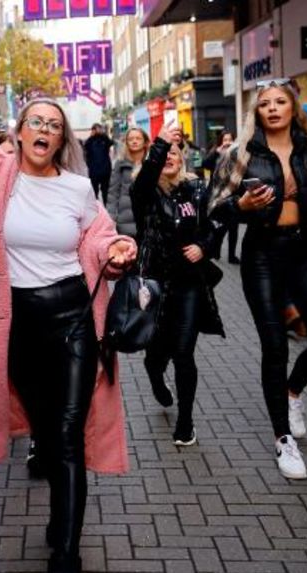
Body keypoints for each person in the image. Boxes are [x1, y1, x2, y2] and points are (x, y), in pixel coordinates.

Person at [0, 99, 137, 573]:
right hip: (16, 327)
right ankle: (61, 510)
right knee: (48, 434)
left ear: (62, 140)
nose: (45, 130)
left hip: (73, 318)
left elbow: (100, 237)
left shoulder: (77, 188)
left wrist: (118, 250)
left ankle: (66, 564)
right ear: (19, 130)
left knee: (71, 432)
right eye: (37, 121)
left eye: (54, 126)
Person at [208, 79, 307, 480]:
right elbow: (215, 210)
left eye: (280, 102)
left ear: (293, 108)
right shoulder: (240, 155)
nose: (272, 108)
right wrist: (239, 204)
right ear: (256, 112)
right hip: (262, 256)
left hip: (305, 253)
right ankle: (282, 439)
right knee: (274, 346)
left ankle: (293, 391)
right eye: (264, 104)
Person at [130, 120, 224, 447]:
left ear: (182, 157)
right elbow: (143, 183)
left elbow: (216, 221)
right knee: (157, 353)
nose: (169, 155)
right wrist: (160, 142)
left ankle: (185, 422)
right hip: (154, 285)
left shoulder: (198, 188)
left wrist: (205, 245)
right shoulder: (144, 191)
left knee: (184, 352)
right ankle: (154, 372)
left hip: (189, 286)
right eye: (163, 151)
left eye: (175, 150)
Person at [201, 131, 240, 263]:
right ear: (220, 142)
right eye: (225, 140)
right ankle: (216, 250)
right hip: (216, 196)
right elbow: (204, 164)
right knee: (220, 227)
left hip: (232, 195)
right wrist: (216, 153)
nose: (227, 142)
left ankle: (232, 256)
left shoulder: (237, 154)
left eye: (230, 139)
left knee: (233, 227)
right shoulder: (216, 154)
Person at [106, 127, 149, 237]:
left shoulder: (151, 164)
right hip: (124, 221)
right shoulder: (120, 164)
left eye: (138, 138)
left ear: (145, 142)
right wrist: (110, 218)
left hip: (148, 219)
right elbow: (113, 193)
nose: (134, 141)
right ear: (126, 142)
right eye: (131, 139)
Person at [83, 122, 114, 202]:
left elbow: (111, 142)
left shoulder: (104, 139)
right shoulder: (90, 141)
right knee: (94, 193)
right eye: (95, 129)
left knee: (106, 192)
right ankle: (96, 210)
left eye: (98, 129)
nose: (97, 131)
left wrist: (103, 134)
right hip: (94, 171)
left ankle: (106, 209)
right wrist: (91, 136)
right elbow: (85, 147)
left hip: (105, 171)